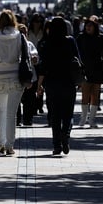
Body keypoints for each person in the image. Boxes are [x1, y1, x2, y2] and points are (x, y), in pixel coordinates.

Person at [0, 9, 30, 155]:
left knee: (1, 111)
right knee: (11, 113)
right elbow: (25, 57)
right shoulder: (19, 36)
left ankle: (1, 143)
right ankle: (10, 145)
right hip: (15, 75)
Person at [37, 16, 79, 155]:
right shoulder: (70, 41)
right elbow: (78, 59)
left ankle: (56, 145)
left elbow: (42, 66)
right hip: (68, 81)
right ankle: (65, 134)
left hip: (52, 82)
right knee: (68, 113)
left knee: (54, 115)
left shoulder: (46, 43)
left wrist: (39, 84)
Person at [76, 15, 103, 127]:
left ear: (95, 27)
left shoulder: (101, 38)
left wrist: (102, 62)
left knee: (95, 95)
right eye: (86, 26)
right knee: (85, 95)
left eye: (90, 26)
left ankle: (92, 120)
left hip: (97, 70)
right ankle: (83, 118)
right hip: (85, 70)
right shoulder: (81, 37)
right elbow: (75, 51)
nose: (88, 28)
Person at [18, 22, 40, 126]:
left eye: (24, 32)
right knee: (17, 100)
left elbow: (35, 57)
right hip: (17, 75)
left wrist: (34, 58)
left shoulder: (30, 44)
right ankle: (17, 119)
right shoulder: (14, 45)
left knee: (29, 100)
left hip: (30, 76)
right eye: (20, 32)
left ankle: (28, 119)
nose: (23, 35)